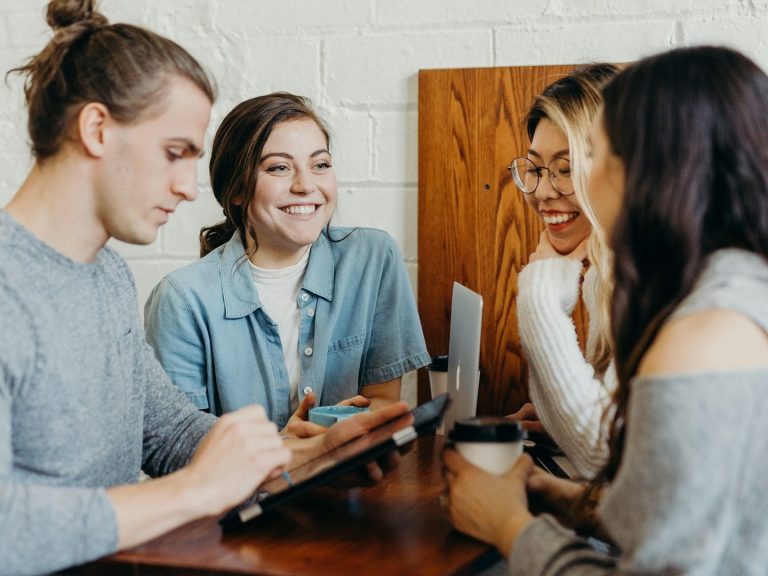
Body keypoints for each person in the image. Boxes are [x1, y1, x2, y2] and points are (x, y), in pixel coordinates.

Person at [0, 2, 408, 574]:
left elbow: (169, 433)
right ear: (96, 130)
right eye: (174, 153)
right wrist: (197, 490)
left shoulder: (106, 274)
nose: (190, 188)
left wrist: (304, 456)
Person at [443, 45, 768, 574]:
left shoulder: (702, 335)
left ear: (654, 170)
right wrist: (568, 501)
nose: (572, 185)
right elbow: (682, 517)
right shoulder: (731, 289)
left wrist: (510, 526)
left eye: (594, 155)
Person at [144, 92, 430, 433]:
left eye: (320, 165)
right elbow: (180, 445)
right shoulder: (181, 300)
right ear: (236, 190)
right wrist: (290, 447)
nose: (306, 185)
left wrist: (339, 433)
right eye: (279, 167)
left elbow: (383, 401)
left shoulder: (373, 259)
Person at [510, 64, 620, 478]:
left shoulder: (658, 279)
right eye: (536, 169)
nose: (541, 192)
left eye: (566, 168)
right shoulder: (605, 275)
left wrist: (539, 296)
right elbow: (608, 437)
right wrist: (559, 423)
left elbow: (603, 455)